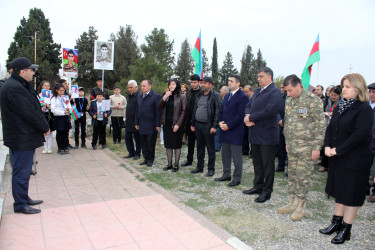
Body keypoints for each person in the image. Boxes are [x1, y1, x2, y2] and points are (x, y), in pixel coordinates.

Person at [319, 73, 373, 244]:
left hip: (355, 159)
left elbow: (360, 135)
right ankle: (336, 222)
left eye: (348, 86)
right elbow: (331, 127)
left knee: (351, 194)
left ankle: (346, 228)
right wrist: (326, 146)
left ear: (358, 88)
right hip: (338, 157)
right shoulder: (340, 105)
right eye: (343, 86)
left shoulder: (364, 108)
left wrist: (338, 150)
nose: (344, 90)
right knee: (339, 191)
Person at [0, 57, 49, 214]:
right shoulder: (14, 87)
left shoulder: (20, 85)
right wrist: (44, 126)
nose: (33, 73)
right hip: (21, 136)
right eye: (30, 70)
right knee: (21, 170)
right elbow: (28, 112)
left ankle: (23, 197)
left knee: (24, 169)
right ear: (22, 71)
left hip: (24, 135)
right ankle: (20, 204)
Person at [277, 74, 325, 221]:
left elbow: (320, 126)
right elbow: (289, 122)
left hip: (307, 147)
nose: (288, 94)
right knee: (292, 175)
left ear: (299, 85)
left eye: (290, 90)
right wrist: (286, 142)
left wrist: (317, 148)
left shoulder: (313, 101)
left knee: (302, 177)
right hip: (292, 145)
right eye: (286, 92)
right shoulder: (290, 100)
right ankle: (292, 202)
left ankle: (301, 207)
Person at [243, 67, 282, 203]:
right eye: (258, 76)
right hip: (255, 133)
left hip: (267, 134)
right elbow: (249, 105)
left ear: (269, 77)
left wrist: (251, 117)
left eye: (261, 76)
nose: (258, 79)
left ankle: (267, 191)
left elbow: (270, 110)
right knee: (257, 163)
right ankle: (257, 186)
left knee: (267, 165)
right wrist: (247, 117)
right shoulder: (258, 91)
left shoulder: (275, 92)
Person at [215, 75, 249, 186]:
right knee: (225, 155)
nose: (229, 83)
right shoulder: (227, 95)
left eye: (231, 81)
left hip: (235, 131)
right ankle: (226, 174)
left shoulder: (242, 96)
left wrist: (228, 125)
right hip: (224, 130)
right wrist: (220, 122)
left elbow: (240, 115)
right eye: (229, 81)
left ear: (238, 83)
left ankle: (237, 178)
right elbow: (221, 111)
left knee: (236, 157)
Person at [190, 76, 222, 177]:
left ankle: (211, 169)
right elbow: (195, 109)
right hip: (198, 125)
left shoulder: (216, 96)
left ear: (211, 85)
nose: (202, 85)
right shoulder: (199, 95)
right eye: (202, 83)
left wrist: (214, 126)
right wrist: (192, 123)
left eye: (205, 83)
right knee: (199, 147)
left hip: (208, 126)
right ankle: (200, 167)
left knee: (210, 149)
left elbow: (218, 112)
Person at [158, 79, 187, 172]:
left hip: (177, 125)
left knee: (177, 145)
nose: (171, 86)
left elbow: (184, 111)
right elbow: (159, 106)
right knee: (168, 145)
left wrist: (178, 124)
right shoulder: (166, 95)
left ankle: (176, 165)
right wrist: (165, 96)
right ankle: (169, 164)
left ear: (177, 85)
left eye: (173, 84)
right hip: (166, 124)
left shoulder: (182, 96)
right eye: (170, 84)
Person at [135, 80, 162, 167]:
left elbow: (158, 112)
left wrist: (158, 124)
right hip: (141, 124)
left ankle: (150, 160)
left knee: (150, 144)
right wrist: (136, 122)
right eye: (141, 86)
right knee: (143, 143)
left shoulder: (156, 96)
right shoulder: (139, 96)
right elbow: (137, 110)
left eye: (144, 86)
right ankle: (146, 158)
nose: (142, 87)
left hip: (152, 125)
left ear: (149, 86)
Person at [320, 86, 342, 172]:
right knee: (326, 145)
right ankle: (325, 165)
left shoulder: (341, 103)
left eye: (335, 95)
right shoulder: (326, 101)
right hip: (325, 125)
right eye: (331, 95)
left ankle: (332, 166)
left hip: (336, 127)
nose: (332, 97)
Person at [181, 74, 201, 167]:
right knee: (190, 143)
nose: (193, 84)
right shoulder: (188, 93)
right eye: (191, 82)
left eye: (195, 82)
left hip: (199, 122)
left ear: (198, 82)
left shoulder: (202, 93)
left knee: (200, 144)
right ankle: (189, 160)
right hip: (189, 122)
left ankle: (200, 163)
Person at [51, 84, 72, 154]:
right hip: (59, 117)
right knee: (60, 132)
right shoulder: (54, 98)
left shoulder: (65, 97)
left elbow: (68, 104)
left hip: (66, 116)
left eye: (63, 90)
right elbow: (53, 110)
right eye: (60, 90)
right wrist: (62, 112)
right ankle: (60, 148)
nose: (62, 92)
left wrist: (69, 108)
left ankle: (65, 147)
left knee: (66, 132)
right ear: (56, 90)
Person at [124, 80, 141, 160]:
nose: (129, 89)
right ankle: (131, 152)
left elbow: (139, 110)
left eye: (131, 87)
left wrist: (137, 122)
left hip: (135, 121)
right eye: (128, 88)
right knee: (128, 138)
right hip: (128, 120)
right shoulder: (128, 96)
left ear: (136, 87)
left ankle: (137, 154)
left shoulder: (139, 96)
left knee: (137, 139)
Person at [37, 80, 54, 153]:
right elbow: (37, 105)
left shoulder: (52, 95)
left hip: (49, 114)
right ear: (42, 86)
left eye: (48, 86)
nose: (47, 87)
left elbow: (54, 105)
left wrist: (49, 106)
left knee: (49, 131)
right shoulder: (39, 95)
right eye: (45, 86)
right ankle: (45, 147)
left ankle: (49, 147)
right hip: (42, 114)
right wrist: (42, 107)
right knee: (43, 131)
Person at [276, 82, 288, 173]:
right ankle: (281, 165)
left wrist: (284, 121)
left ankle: (289, 169)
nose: (282, 89)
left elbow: (300, 115)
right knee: (281, 148)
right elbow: (276, 111)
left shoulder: (301, 100)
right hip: (280, 127)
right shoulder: (281, 98)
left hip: (290, 128)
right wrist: (279, 120)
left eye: (284, 87)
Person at [367, 82, 375, 203]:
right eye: (370, 92)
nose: (372, 94)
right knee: (366, 166)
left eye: (374, 92)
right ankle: (365, 187)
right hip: (366, 141)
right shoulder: (365, 106)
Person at [215, 86, 229, 152]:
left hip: (225, 121)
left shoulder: (229, 99)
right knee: (217, 133)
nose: (220, 90)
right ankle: (217, 147)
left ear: (225, 91)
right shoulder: (219, 98)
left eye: (221, 89)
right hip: (219, 119)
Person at [242, 85, 254, 156]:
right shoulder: (245, 99)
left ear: (251, 91)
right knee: (245, 136)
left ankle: (252, 152)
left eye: (247, 92)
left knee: (251, 137)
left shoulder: (255, 98)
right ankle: (245, 151)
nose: (245, 93)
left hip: (252, 120)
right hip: (245, 120)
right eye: (244, 92)